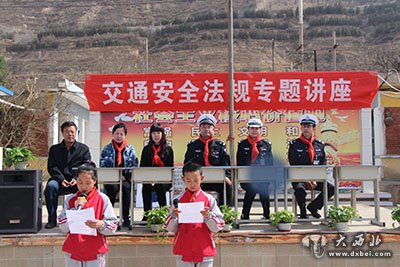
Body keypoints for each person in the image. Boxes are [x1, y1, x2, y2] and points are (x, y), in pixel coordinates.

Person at [58, 162, 118, 267]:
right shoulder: (70, 199)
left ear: (94, 181)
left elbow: (113, 225)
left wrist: (101, 224)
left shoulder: (102, 199)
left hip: (95, 250)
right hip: (73, 250)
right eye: (80, 182)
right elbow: (62, 226)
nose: (83, 186)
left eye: (87, 183)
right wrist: (73, 210)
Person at [164, 162, 224, 267]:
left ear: (202, 178)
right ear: (183, 180)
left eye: (196, 180)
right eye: (188, 181)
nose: (192, 184)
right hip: (183, 249)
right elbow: (170, 228)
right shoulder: (177, 200)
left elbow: (218, 227)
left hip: (204, 249)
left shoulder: (209, 199)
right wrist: (174, 217)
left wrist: (208, 216)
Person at [44, 121, 91, 229]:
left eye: (72, 132)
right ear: (62, 133)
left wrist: (76, 178)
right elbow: (52, 167)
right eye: (67, 132)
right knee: (51, 187)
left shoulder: (83, 149)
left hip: (78, 181)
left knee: (88, 187)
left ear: (76, 133)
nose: (70, 134)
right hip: (59, 180)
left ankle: (83, 218)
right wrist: (61, 179)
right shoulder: (54, 149)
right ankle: (52, 219)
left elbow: (87, 166)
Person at [288, 114, 335, 219]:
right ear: (301, 127)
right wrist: (306, 179)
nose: (306, 129)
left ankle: (313, 207)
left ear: (313, 128)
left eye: (308, 126)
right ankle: (303, 210)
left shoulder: (319, 145)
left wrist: (315, 178)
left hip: (316, 178)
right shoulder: (294, 144)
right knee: (300, 189)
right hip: (299, 177)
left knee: (331, 188)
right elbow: (293, 164)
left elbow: (322, 164)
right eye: (304, 126)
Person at [184, 114, 232, 206]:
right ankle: (195, 211)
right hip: (198, 180)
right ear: (199, 129)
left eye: (209, 127)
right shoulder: (192, 146)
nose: (206, 129)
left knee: (228, 186)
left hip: (217, 179)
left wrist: (226, 177)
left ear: (213, 129)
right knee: (191, 187)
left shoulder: (220, 146)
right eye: (204, 127)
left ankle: (223, 213)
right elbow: (187, 163)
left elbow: (226, 163)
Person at [100, 122, 138, 228]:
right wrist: (114, 175)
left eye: (121, 134)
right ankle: (109, 217)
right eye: (117, 134)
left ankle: (126, 217)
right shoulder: (107, 149)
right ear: (113, 134)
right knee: (112, 188)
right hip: (111, 179)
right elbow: (102, 164)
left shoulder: (130, 149)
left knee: (126, 188)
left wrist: (126, 174)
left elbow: (135, 164)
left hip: (126, 178)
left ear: (125, 135)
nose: (119, 136)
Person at [237, 118, 273, 220]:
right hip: (247, 178)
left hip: (262, 178)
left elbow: (270, 163)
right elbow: (239, 162)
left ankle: (267, 214)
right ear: (248, 129)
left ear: (260, 130)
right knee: (252, 188)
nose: (254, 130)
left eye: (257, 128)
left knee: (262, 189)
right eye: (252, 128)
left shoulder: (266, 145)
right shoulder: (242, 145)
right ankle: (245, 215)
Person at [140, 123, 174, 220]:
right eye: (154, 133)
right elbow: (142, 166)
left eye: (158, 133)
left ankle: (163, 214)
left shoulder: (168, 149)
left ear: (162, 134)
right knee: (146, 187)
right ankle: (146, 215)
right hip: (149, 179)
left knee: (159, 186)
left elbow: (170, 168)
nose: (156, 135)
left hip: (164, 180)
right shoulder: (146, 149)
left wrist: (159, 179)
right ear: (150, 135)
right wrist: (150, 178)